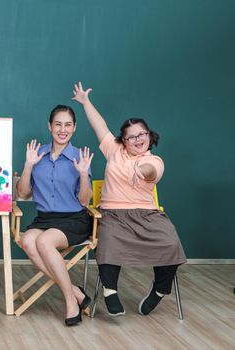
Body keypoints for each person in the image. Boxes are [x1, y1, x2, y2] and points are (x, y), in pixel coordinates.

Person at [72, 81, 186, 316]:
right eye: (131, 137)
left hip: (147, 214)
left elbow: (151, 172)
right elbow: (100, 126)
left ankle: (160, 290)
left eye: (141, 134)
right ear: (122, 140)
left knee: (172, 243)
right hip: (112, 213)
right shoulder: (114, 151)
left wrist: (140, 170)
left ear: (149, 135)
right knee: (107, 239)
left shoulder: (154, 160)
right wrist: (85, 101)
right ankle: (110, 291)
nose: (137, 140)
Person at [16, 104, 94, 326]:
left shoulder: (80, 157)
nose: (63, 129)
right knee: (28, 241)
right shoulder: (37, 153)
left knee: (44, 242)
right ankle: (76, 291)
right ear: (50, 126)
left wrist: (83, 175)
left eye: (68, 125)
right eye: (58, 124)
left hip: (73, 219)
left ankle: (70, 301)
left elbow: (84, 201)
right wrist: (28, 165)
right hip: (45, 218)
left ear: (74, 128)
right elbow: (22, 192)